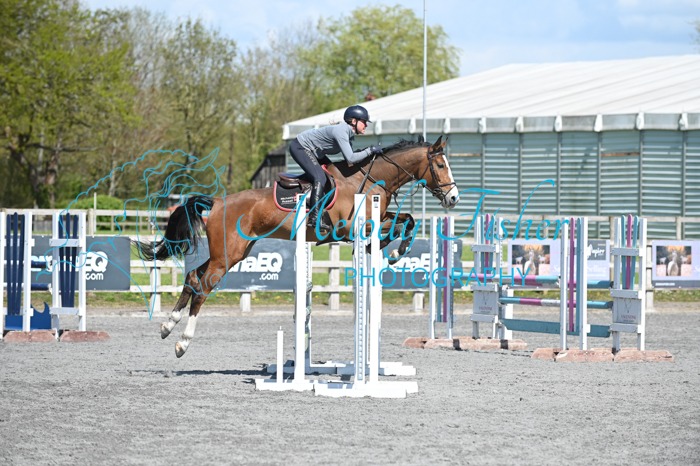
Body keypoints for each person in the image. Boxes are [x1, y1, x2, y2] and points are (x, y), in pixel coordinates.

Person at [289, 104, 383, 231]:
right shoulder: (342, 131)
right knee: (320, 178)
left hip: (314, 151)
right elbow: (351, 158)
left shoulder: (348, 133)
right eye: (364, 122)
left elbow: (350, 161)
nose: (366, 125)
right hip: (301, 147)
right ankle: (314, 217)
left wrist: (369, 153)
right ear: (354, 121)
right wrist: (370, 150)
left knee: (332, 174)